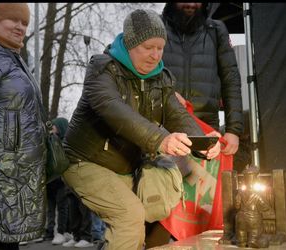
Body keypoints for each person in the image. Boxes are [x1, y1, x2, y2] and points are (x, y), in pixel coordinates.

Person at [62, 9, 220, 250]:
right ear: (129, 43)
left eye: (160, 48)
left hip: (125, 166)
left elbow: (177, 114)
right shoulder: (103, 69)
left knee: (150, 214)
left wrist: (202, 142)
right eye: (148, 47)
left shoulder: (161, 79)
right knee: (129, 217)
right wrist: (161, 140)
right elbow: (114, 111)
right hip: (85, 161)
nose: (155, 55)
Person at [0, 3, 47, 250]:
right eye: (13, 20)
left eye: (24, 23)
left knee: (5, 238)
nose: (20, 27)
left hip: (12, 168)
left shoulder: (10, 56)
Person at [161, 3, 243, 156]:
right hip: (163, 127)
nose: (191, 4)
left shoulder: (216, 30)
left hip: (206, 130)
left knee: (204, 180)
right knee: (162, 178)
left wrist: (233, 130)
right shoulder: (157, 27)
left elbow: (230, 81)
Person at [43, 117, 73, 245]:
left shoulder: (65, 143)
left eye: (54, 126)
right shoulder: (49, 141)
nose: (52, 129)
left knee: (62, 207)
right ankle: (49, 231)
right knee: (50, 207)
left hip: (61, 181)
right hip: (50, 181)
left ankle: (62, 232)